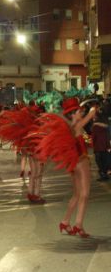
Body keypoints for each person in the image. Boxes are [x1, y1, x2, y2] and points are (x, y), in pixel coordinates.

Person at [37, 98, 97, 237]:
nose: (81, 113)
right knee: (85, 195)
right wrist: (93, 108)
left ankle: (65, 222)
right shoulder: (76, 126)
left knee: (76, 195)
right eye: (79, 111)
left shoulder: (71, 125)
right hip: (81, 163)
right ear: (74, 113)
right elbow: (90, 115)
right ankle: (79, 224)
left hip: (75, 164)